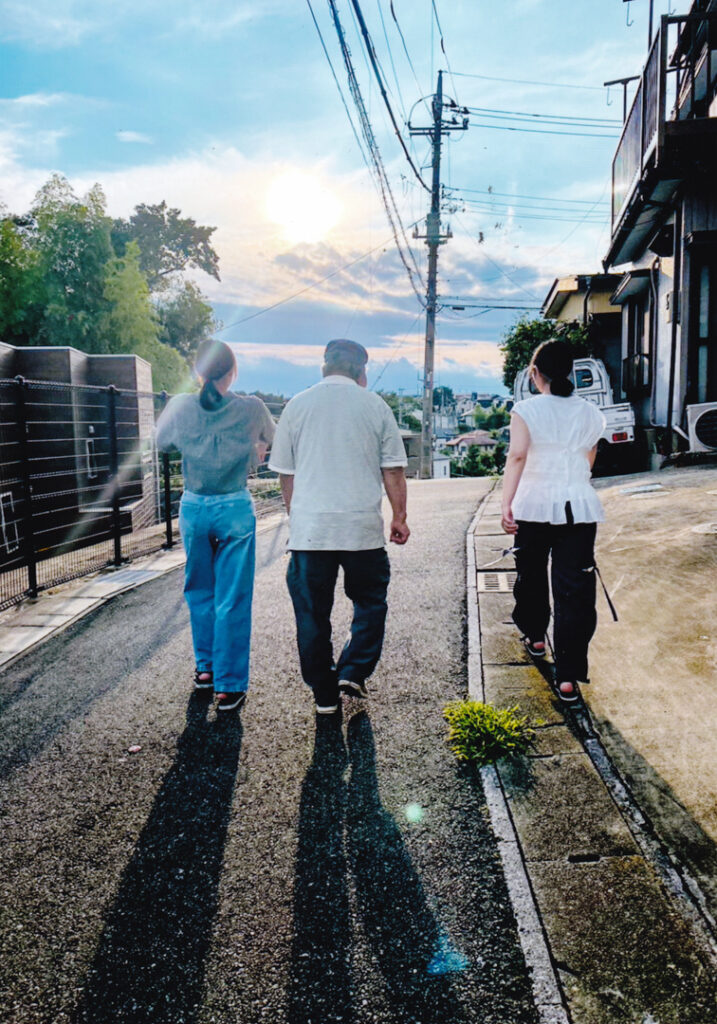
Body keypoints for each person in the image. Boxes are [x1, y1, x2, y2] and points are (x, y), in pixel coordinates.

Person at [268, 338, 410, 715]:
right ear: (361, 372)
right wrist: (399, 516)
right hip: (362, 529)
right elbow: (393, 469)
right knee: (370, 601)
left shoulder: (296, 406)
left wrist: (297, 516)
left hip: (310, 532)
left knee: (312, 613)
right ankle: (354, 669)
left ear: (324, 367)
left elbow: (286, 474)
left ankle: (324, 694)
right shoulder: (375, 405)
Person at [156, 339, 275, 712]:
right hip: (235, 506)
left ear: (198, 371)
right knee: (232, 597)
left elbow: (161, 442)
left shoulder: (180, 405)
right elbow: (274, 438)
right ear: (233, 371)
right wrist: (256, 445)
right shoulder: (252, 407)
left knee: (200, 592)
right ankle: (229, 685)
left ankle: (205, 669)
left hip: (194, 506)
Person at [500, 339, 606, 703]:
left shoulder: (526, 410)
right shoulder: (591, 413)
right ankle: (568, 677)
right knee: (574, 591)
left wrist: (506, 503)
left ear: (535, 373)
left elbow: (517, 457)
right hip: (579, 508)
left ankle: (536, 638)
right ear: (570, 372)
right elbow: (588, 460)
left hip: (532, 506)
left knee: (530, 576)